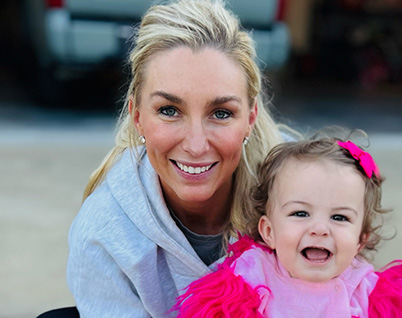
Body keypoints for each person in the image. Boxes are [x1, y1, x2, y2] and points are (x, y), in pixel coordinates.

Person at [66, 0, 297, 317]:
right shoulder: (104, 233)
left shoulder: (302, 189)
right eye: (169, 111)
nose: (196, 145)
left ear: (251, 117)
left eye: (220, 113)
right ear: (137, 116)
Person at [173, 136, 402, 318]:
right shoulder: (253, 276)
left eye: (339, 218)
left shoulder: (365, 290)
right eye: (300, 213)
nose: (319, 229)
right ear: (269, 232)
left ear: (360, 240)